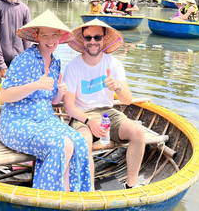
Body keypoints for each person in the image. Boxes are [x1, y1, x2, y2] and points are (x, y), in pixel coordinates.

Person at [0, 10, 92, 192]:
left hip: (46, 120)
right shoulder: (25, 59)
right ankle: (46, 196)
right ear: (36, 36)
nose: (50, 41)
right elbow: (4, 96)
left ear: (60, 36)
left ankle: (67, 194)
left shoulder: (56, 62)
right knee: (61, 145)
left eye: (54, 35)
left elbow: (51, 101)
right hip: (18, 122)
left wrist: (60, 93)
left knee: (79, 142)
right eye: (45, 35)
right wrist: (35, 85)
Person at [62, 19, 145, 190]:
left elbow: (127, 100)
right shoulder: (73, 67)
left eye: (97, 37)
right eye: (88, 38)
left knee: (137, 132)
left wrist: (117, 87)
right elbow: (69, 106)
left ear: (104, 39)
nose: (92, 42)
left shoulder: (113, 63)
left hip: (108, 113)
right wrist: (89, 122)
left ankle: (131, 185)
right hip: (83, 115)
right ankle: (89, 190)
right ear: (83, 40)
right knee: (84, 140)